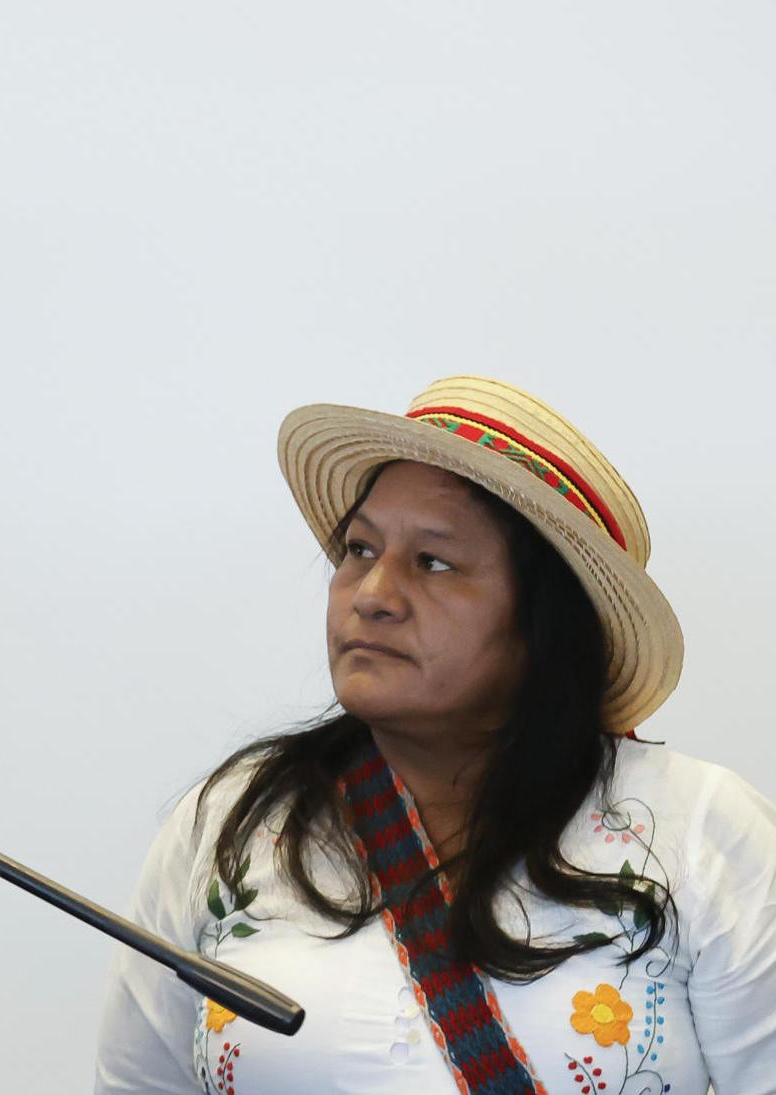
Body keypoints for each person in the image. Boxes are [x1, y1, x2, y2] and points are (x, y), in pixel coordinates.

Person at [93, 377, 776, 1094]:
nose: (371, 594)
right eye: (358, 549)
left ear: (542, 626)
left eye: (434, 562)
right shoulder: (232, 823)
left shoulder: (698, 831)